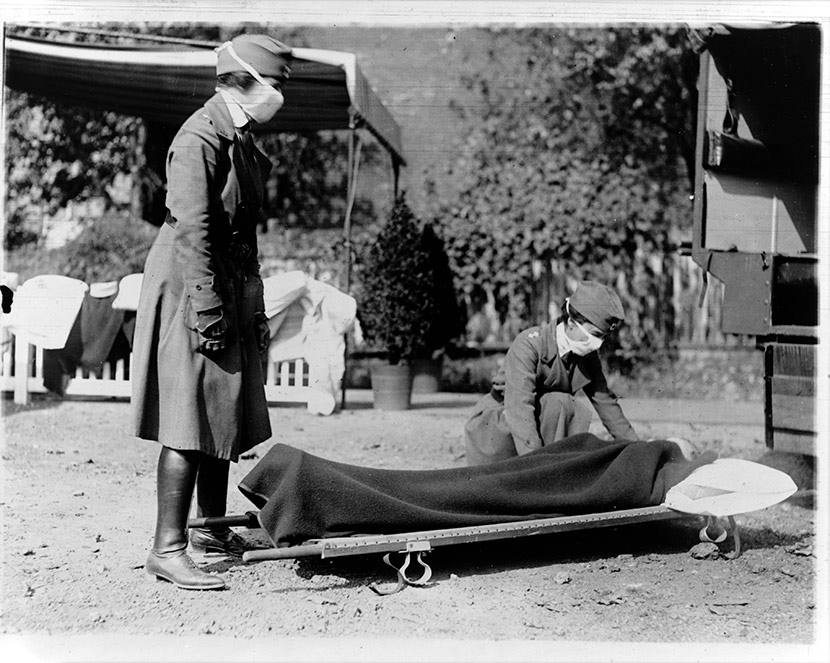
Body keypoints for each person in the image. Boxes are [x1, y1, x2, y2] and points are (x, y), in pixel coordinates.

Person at [131, 34, 293, 590]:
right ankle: (166, 548)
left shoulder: (241, 137)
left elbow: (244, 229)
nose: (279, 97)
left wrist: (254, 304)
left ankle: (209, 529)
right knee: (187, 415)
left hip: (226, 280)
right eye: (275, 84)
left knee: (220, 409)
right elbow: (193, 233)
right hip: (190, 283)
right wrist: (208, 310)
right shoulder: (201, 136)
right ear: (242, 80)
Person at [464, 280, 638, 466]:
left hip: (536, 426)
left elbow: (605, 402)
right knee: (560, 403)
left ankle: (555, 468)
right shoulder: (530, 345)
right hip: (499, 426)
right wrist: (536, 466)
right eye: (594, 334)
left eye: (603, 337)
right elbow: (519, 408)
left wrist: (637, 449)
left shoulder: (586, 356)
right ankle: (545, 470)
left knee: (565, 405)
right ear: (571, 322)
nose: (598, 343)